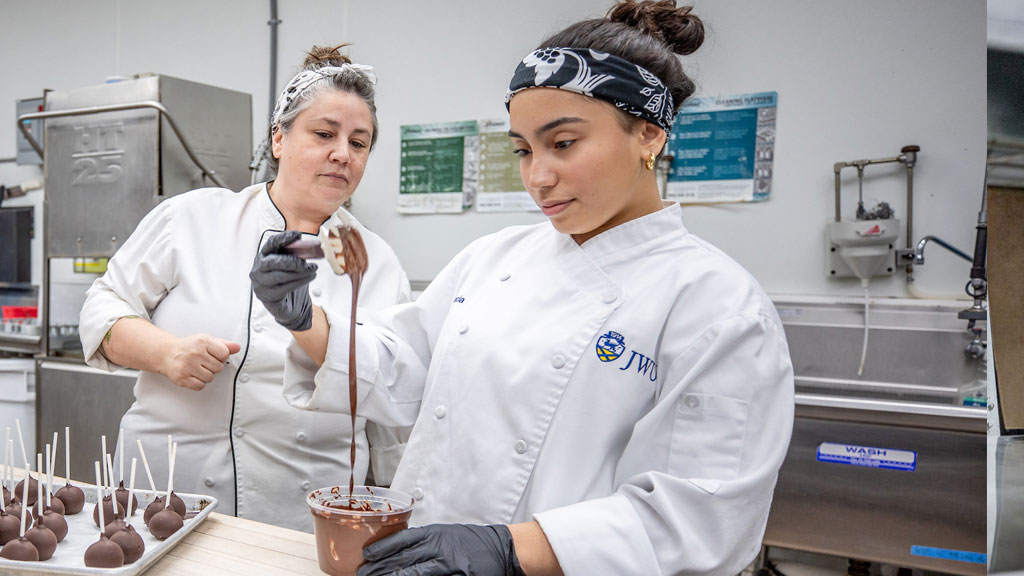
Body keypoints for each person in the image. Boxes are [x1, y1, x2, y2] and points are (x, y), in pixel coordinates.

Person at [254, 1, 794, 574]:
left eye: (562, 143)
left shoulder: (718, 306)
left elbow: (700, 519)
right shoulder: (495, 257)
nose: (538, 176)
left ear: (649, 136)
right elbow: (405, 366)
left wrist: (509, 549)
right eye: (523, 149)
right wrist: (302, 317)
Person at [79, 44, 412, 532]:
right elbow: (102, 308)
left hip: (301, 511)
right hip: (169, 491)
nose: (342, 153)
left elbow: (392, 393)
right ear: (279, 139)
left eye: (359, 143)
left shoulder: (373, 261)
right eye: (324, 134)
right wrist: (166, 354)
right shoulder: (194, 218)